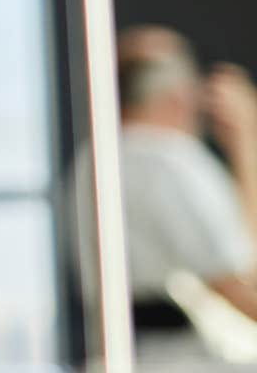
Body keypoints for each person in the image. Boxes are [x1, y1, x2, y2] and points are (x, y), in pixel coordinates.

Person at [76, 25, 257, 347]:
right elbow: (239, 278)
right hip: (185, 356)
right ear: (181, 94)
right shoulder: (170, 160)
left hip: (117, 348)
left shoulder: (89, 161)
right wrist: (246, 143)